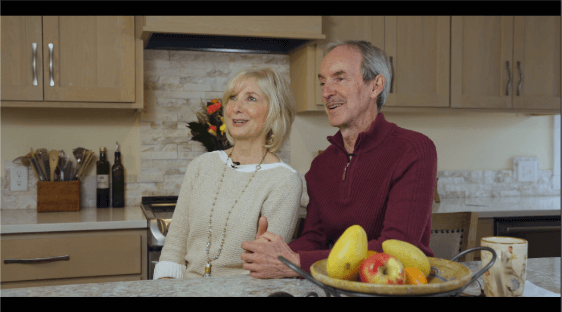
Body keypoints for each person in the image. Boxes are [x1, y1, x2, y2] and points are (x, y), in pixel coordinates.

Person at [240, 40, 437, 279]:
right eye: (323, 82)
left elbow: (395, 247)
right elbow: (316, 238)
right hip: (336, 284)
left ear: (375, 86)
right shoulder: (322, 166)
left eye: (339, 78)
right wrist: (276, 253)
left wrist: (297, 262)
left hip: (396, 288)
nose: (326, 92)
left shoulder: (413, 149)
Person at [153, 67, 302, 280]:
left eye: (251, 98)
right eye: (232, 98)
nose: (236, 107)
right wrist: (165, 291)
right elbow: (174, 246)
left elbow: (265, 269)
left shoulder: (284, 180)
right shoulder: (201, 166)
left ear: (274, 112)